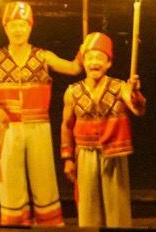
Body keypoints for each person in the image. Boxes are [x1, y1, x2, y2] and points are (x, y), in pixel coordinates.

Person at [0, 1, 79, 228]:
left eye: (22, 24)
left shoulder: (43, 56)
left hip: (38, 126)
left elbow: (73, 68)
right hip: (8, 128)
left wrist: (85, 51)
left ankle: (49, 225)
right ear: (5, 28)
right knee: (11, 182)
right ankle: (15, 224)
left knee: (44, 179)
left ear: (30, 27)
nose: (18, 30)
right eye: (13, 25)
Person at [59, 33, 145, 229]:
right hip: (85, 153)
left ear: (108, 63)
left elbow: (138, 109)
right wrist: (67, 159)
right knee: (88, 206)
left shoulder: (120, 87)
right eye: (90, 57)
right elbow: (66, 125)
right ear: (84, 62)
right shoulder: (73, 91)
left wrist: (135, 92)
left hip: (113, 154)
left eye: (99, 57)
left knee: (117, 207)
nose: (94, 62)